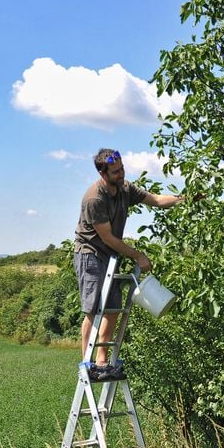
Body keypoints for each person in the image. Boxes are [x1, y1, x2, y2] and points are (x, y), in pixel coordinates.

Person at [74, 148, 181, 380]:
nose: (121, 174)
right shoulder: (95, 198)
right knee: (93, 309)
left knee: (112, 307)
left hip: (111, 256)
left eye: (122, 169)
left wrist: (184, 199)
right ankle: (87, 365)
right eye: (115, 171)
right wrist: (138, 256)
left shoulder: (125, 189)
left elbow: (156, 200)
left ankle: (102, 362)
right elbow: (108, 238)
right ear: (103, 174)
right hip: (90, 253)